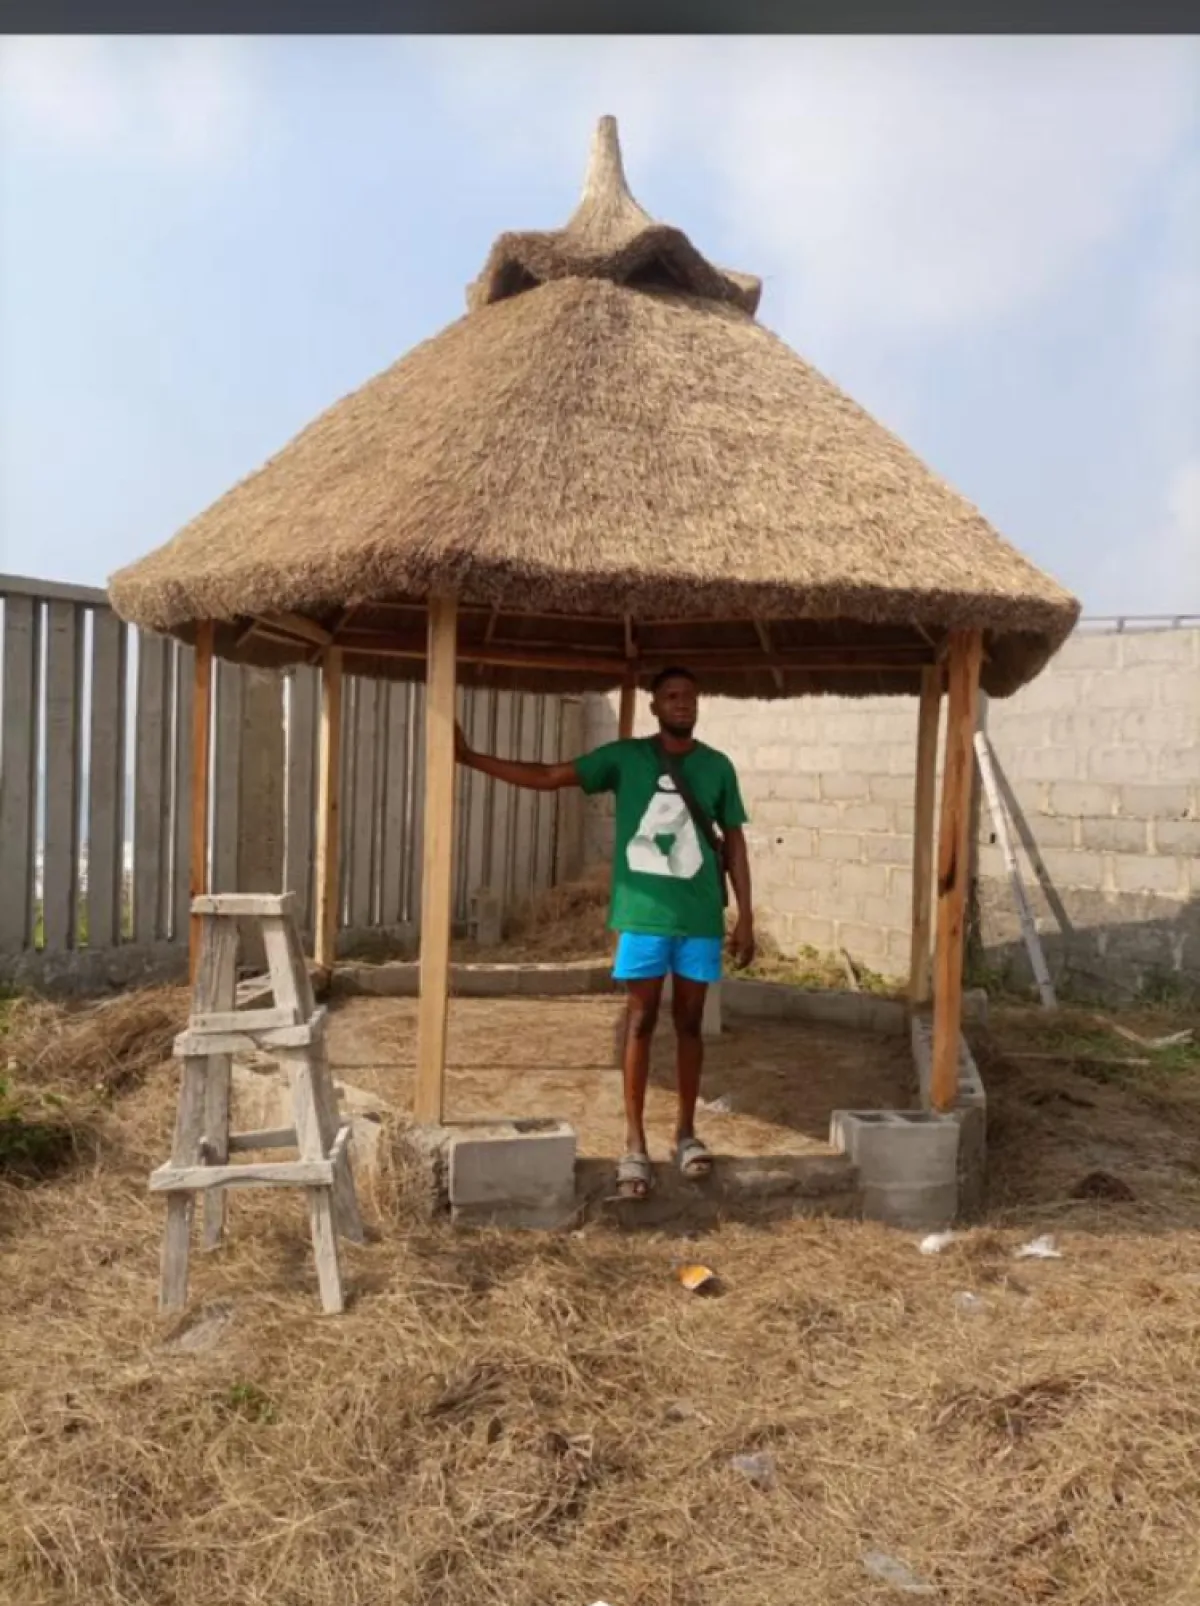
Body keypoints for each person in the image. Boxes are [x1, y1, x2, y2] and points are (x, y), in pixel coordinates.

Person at [454, 667, 754, 1200]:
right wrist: (471, 757)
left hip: (700, 920)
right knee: (640, 1022)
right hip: (642, 918)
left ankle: (685, 1134)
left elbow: (733, 843)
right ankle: (634, 1142)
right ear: (654, 706)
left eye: (689, 695)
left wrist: (746, 915)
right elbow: (550, 775)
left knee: (689, 1026)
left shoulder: (717, 766)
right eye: (671, 696)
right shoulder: (625, 758)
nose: (682, 703)